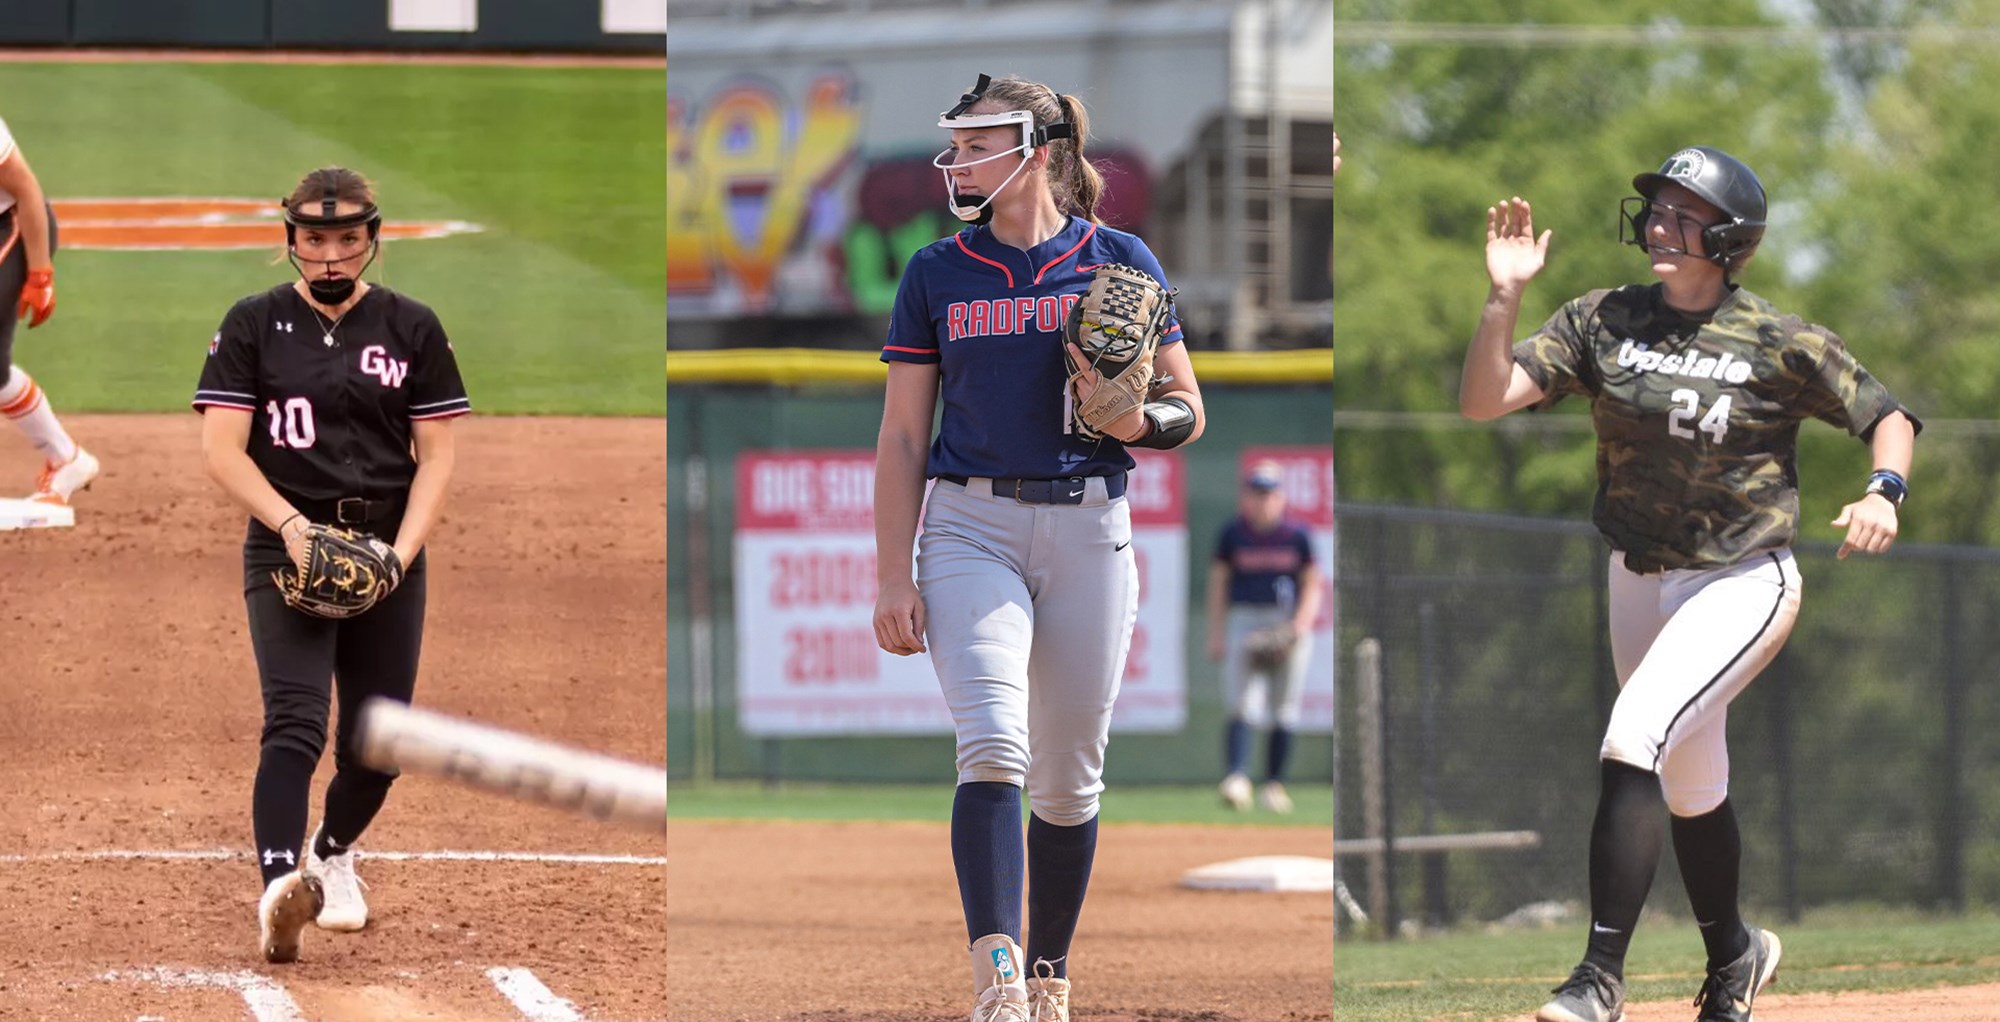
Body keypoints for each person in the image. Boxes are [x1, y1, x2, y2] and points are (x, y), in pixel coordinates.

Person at [1459, 146, 1918, 1022]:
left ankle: (1598, 979)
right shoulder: (1603, 319)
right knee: (1690, 784)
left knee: (1634, 737)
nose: (1660, 226)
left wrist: (1883, 490)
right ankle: (1736, 955)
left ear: (1732, 236)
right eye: (1657, 210)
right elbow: (1485, 399)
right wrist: (1502, 295)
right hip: (1636, 577)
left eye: (1683, 212)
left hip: (1743, 580)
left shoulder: (1781, 339)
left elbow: (1886, 414)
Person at [871, 73, 1205, 1022]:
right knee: (993, 746)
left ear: (1042, 150)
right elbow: (902, 437)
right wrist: (892, 571)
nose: (958, 159)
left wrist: (1140, 419)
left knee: (1069, 779)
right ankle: (1000, 982)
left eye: (979, 143)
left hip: (1092, 523)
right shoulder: (937, 271)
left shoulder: (1120, 257)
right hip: (971, 524)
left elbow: (1192, 410)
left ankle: (1051, 974)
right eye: (959, 143)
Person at [192, 166, 470, 964]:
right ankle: (280, 887)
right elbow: (221, 450)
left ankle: (331, 852)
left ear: (372, 242)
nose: (330, 255)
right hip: (285, 555)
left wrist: (396, 556)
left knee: (378, 743)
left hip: (389, 552)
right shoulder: (252, 324)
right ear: (291, 244)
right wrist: (290, 527)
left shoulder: (413, 326)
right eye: (314, 239)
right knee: (295, 721)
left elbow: (437, 459)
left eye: (347, 238)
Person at [1208, 458, 1321, 814]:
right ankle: (1237, 778)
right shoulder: (1233, 534)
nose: (1262, 499)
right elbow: (1218, 583)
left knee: (1284, 709)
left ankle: (1275, 785)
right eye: (1257, 492)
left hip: (1286, 621)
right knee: (1240, 703)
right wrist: (1216, 632)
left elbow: (1313, 584)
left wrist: (1300, 626)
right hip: (1245, 619)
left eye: (1269, 492)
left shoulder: (1297, 535)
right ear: (1247, 496)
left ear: (1281, 497)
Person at [0, 114, 98, 504]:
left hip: (14, 227)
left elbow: (27, 191)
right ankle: (66, 458)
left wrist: (40, 273)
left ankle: (66, 459)